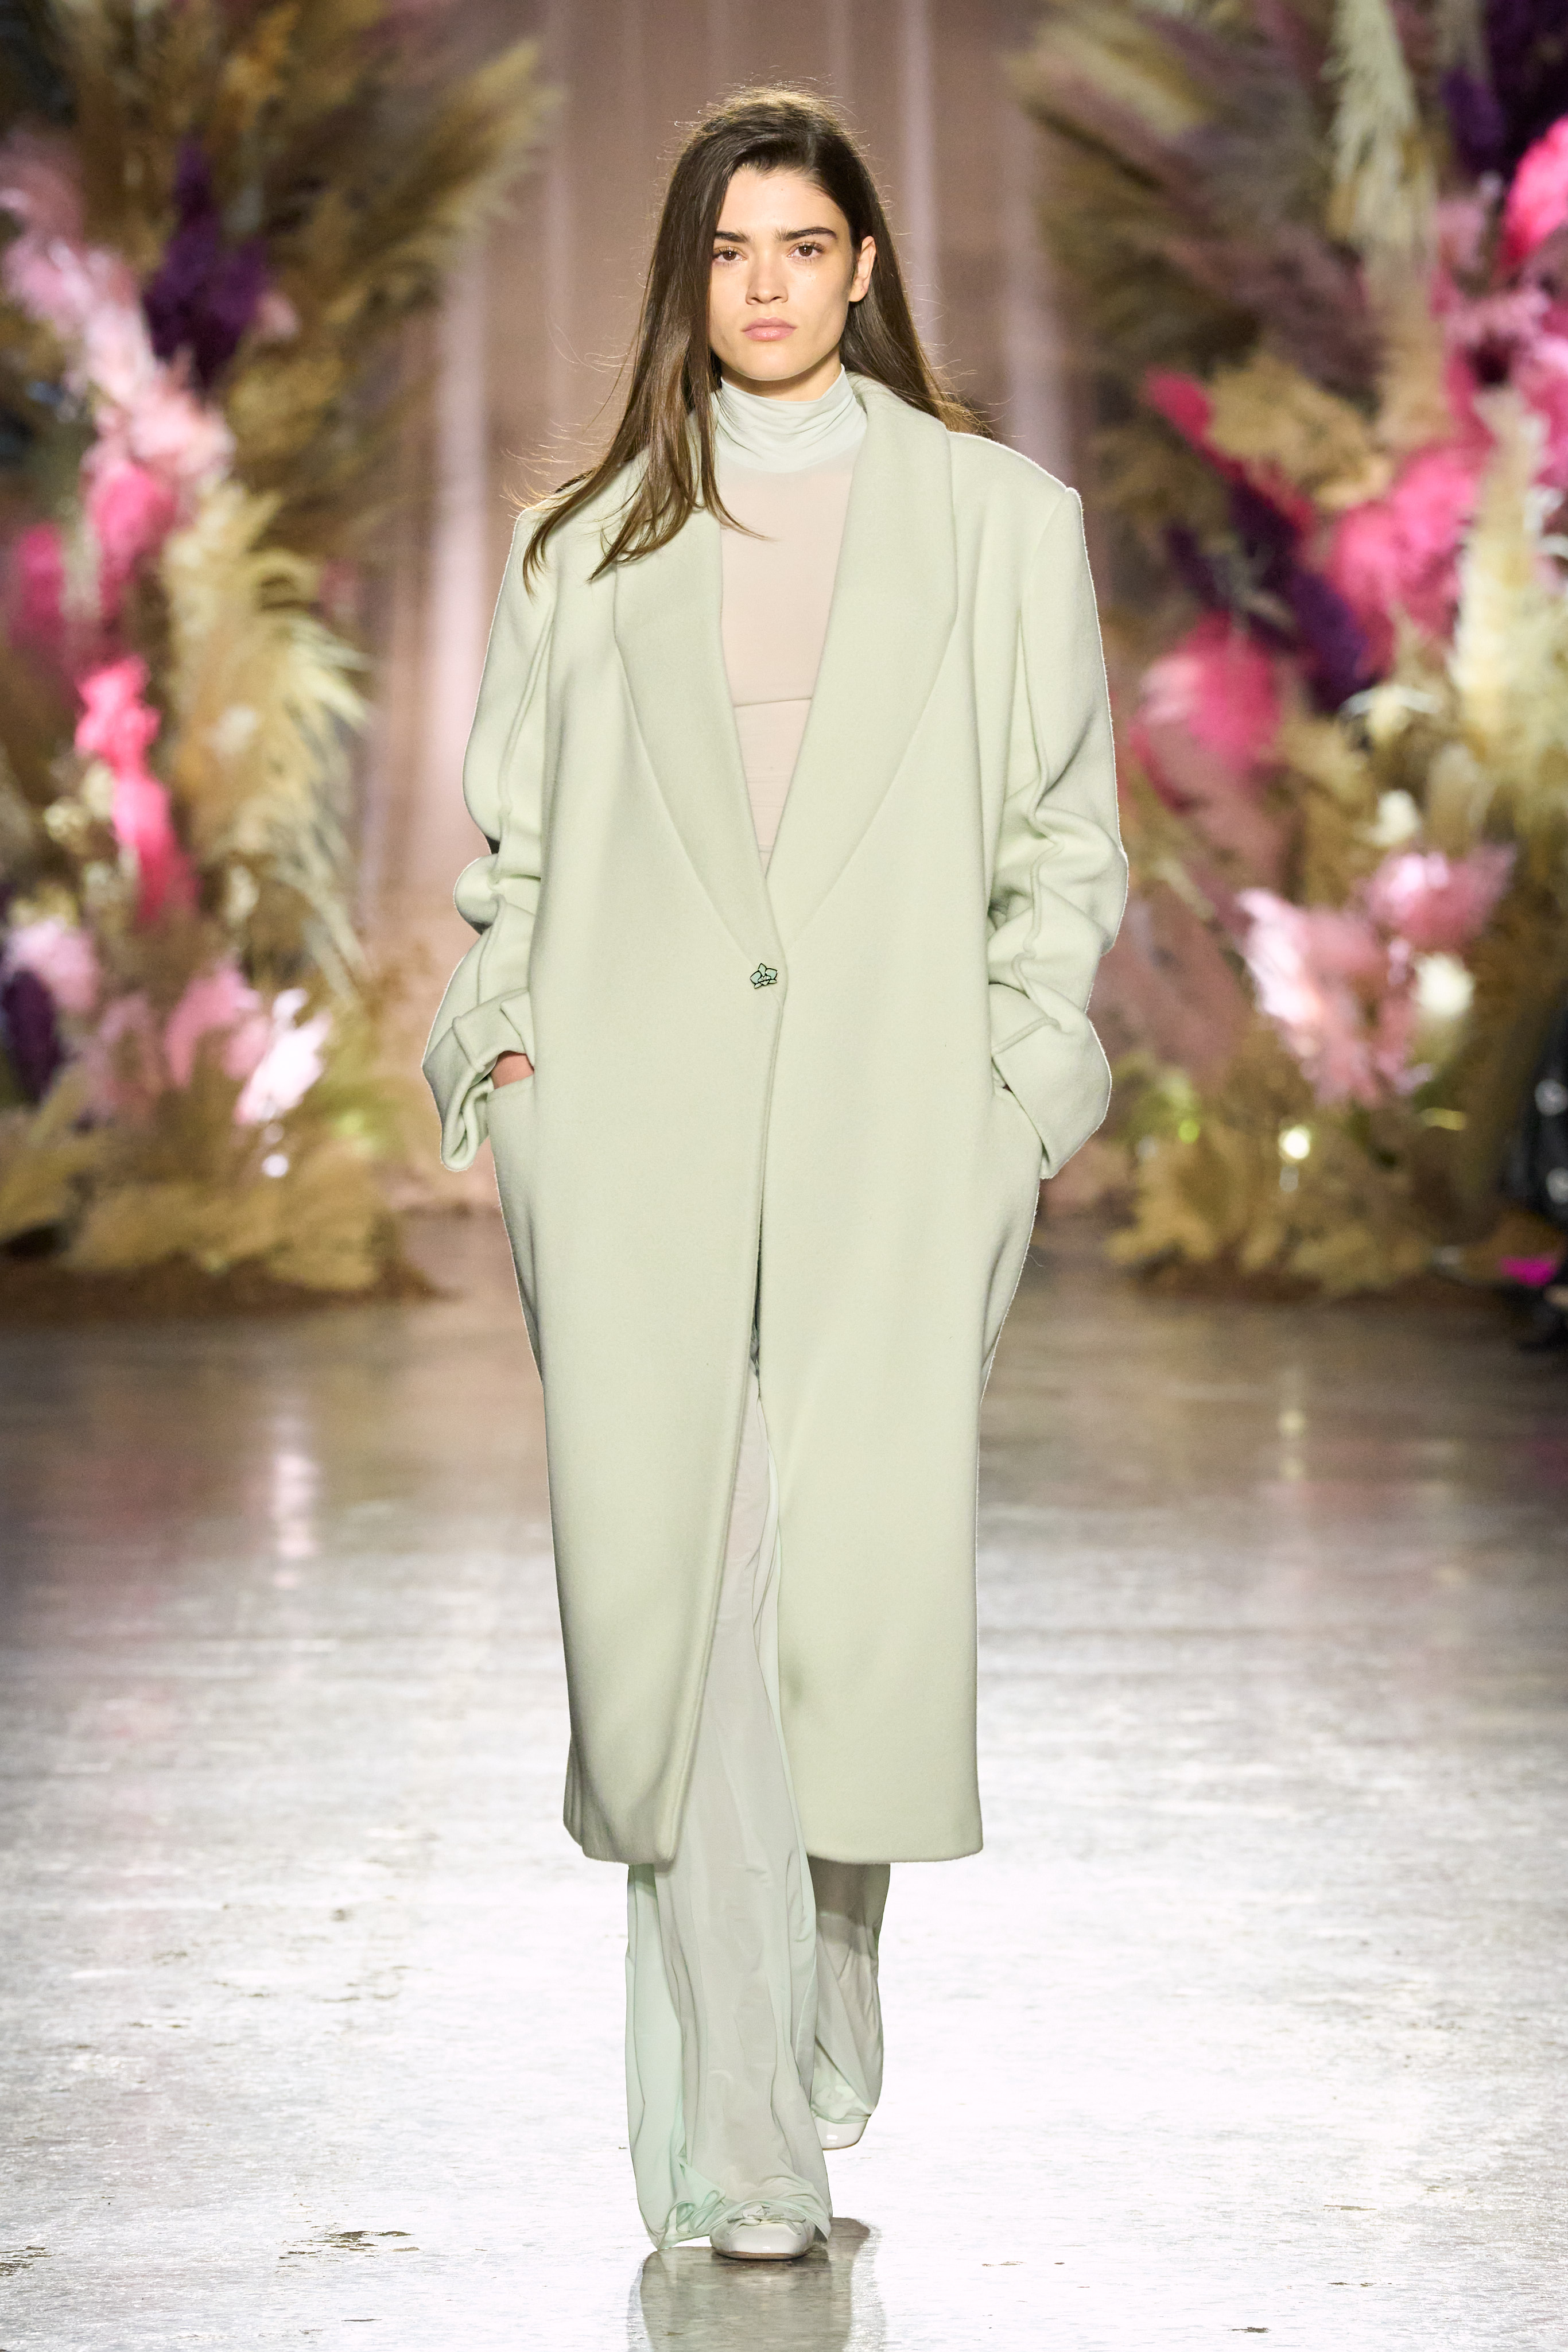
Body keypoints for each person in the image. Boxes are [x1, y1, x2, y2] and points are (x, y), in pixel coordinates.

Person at [424, 86, 1127, 2261]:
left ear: (861, 267)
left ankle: (821, 1953)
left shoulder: (999, 523)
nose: (764, 286)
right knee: (689, 1610)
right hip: (628, 1134)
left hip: (899, 1135)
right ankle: (740, 2132)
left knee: (838, 1597)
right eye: (728, 251)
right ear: (687, 276)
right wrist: (505, 1055)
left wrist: (1015, 1095)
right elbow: (517, 850)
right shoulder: (584, 546)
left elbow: (1064, 840)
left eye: (802, 246)